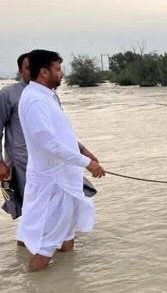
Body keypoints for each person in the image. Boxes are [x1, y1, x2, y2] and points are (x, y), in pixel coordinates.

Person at [17, 50, 106, 272]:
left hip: (66, 180)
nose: (61, 74)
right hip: (53, 183)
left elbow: (62, 134)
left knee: (68, 235)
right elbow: (50, 143)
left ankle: (67, 287)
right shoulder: (34, 101)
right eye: (57, 69)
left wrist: (85, 151)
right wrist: (89, 165)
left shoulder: (48, 96)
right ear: (44, 72)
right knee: (45, 247)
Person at [0, 54, 31, 219]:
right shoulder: (8, 94)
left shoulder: (49, 95)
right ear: (20, 70)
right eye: (28, 68)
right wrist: (0, 163)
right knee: (26, 210)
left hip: (46, 164)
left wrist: (81, 152)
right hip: (19, 164)